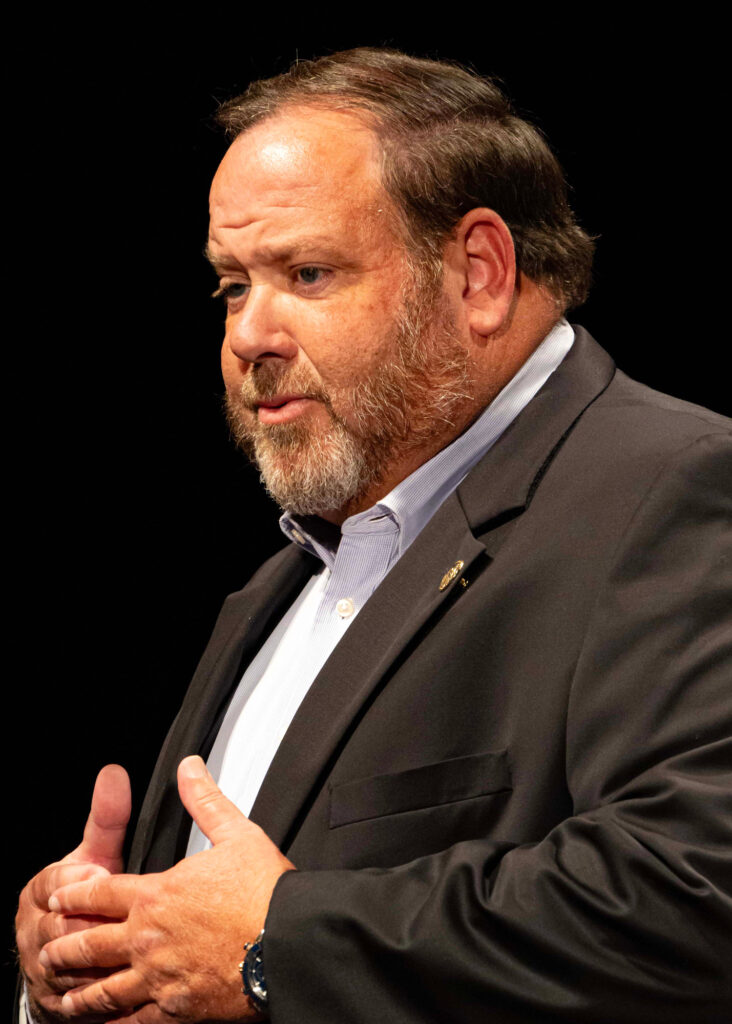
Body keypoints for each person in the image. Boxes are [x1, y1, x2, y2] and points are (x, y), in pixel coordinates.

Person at [15, 48, 731, 1024]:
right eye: (232, 286)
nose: (247, 336)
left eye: (306, 273)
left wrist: (279, 951)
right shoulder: (287, 580)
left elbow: (692, 899)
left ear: (478, 274)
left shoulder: (678, 486)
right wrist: (100, 948)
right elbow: (209, 944)